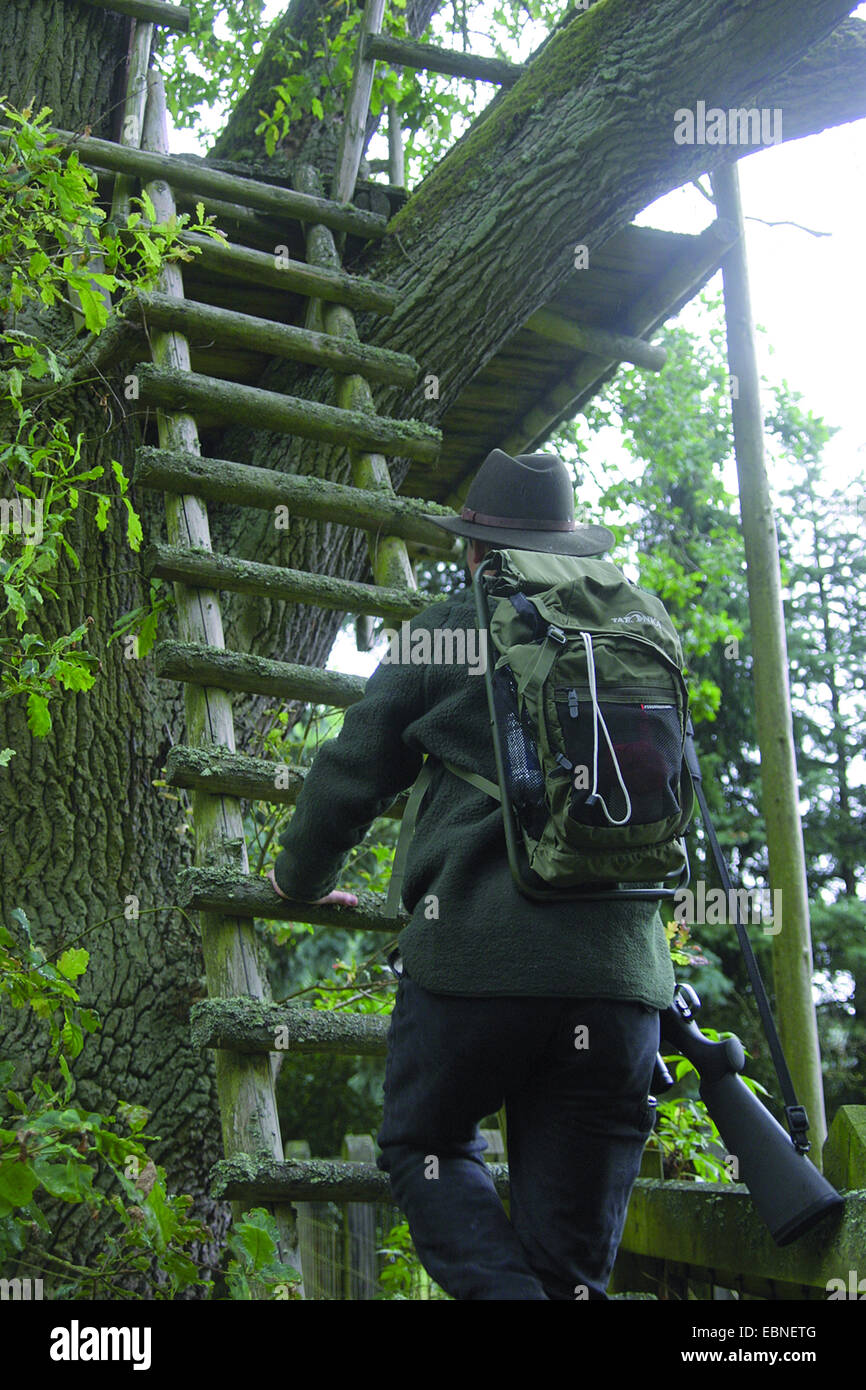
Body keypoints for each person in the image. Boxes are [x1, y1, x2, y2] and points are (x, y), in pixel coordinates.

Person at [268, 449, 676, 1300]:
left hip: (475, 967)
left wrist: (299, 882)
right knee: (570, 1276)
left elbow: (351, 770)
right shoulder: (644, 631)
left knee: (429, 1144)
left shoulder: (451, 626)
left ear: (475, 551)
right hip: (623, 982)